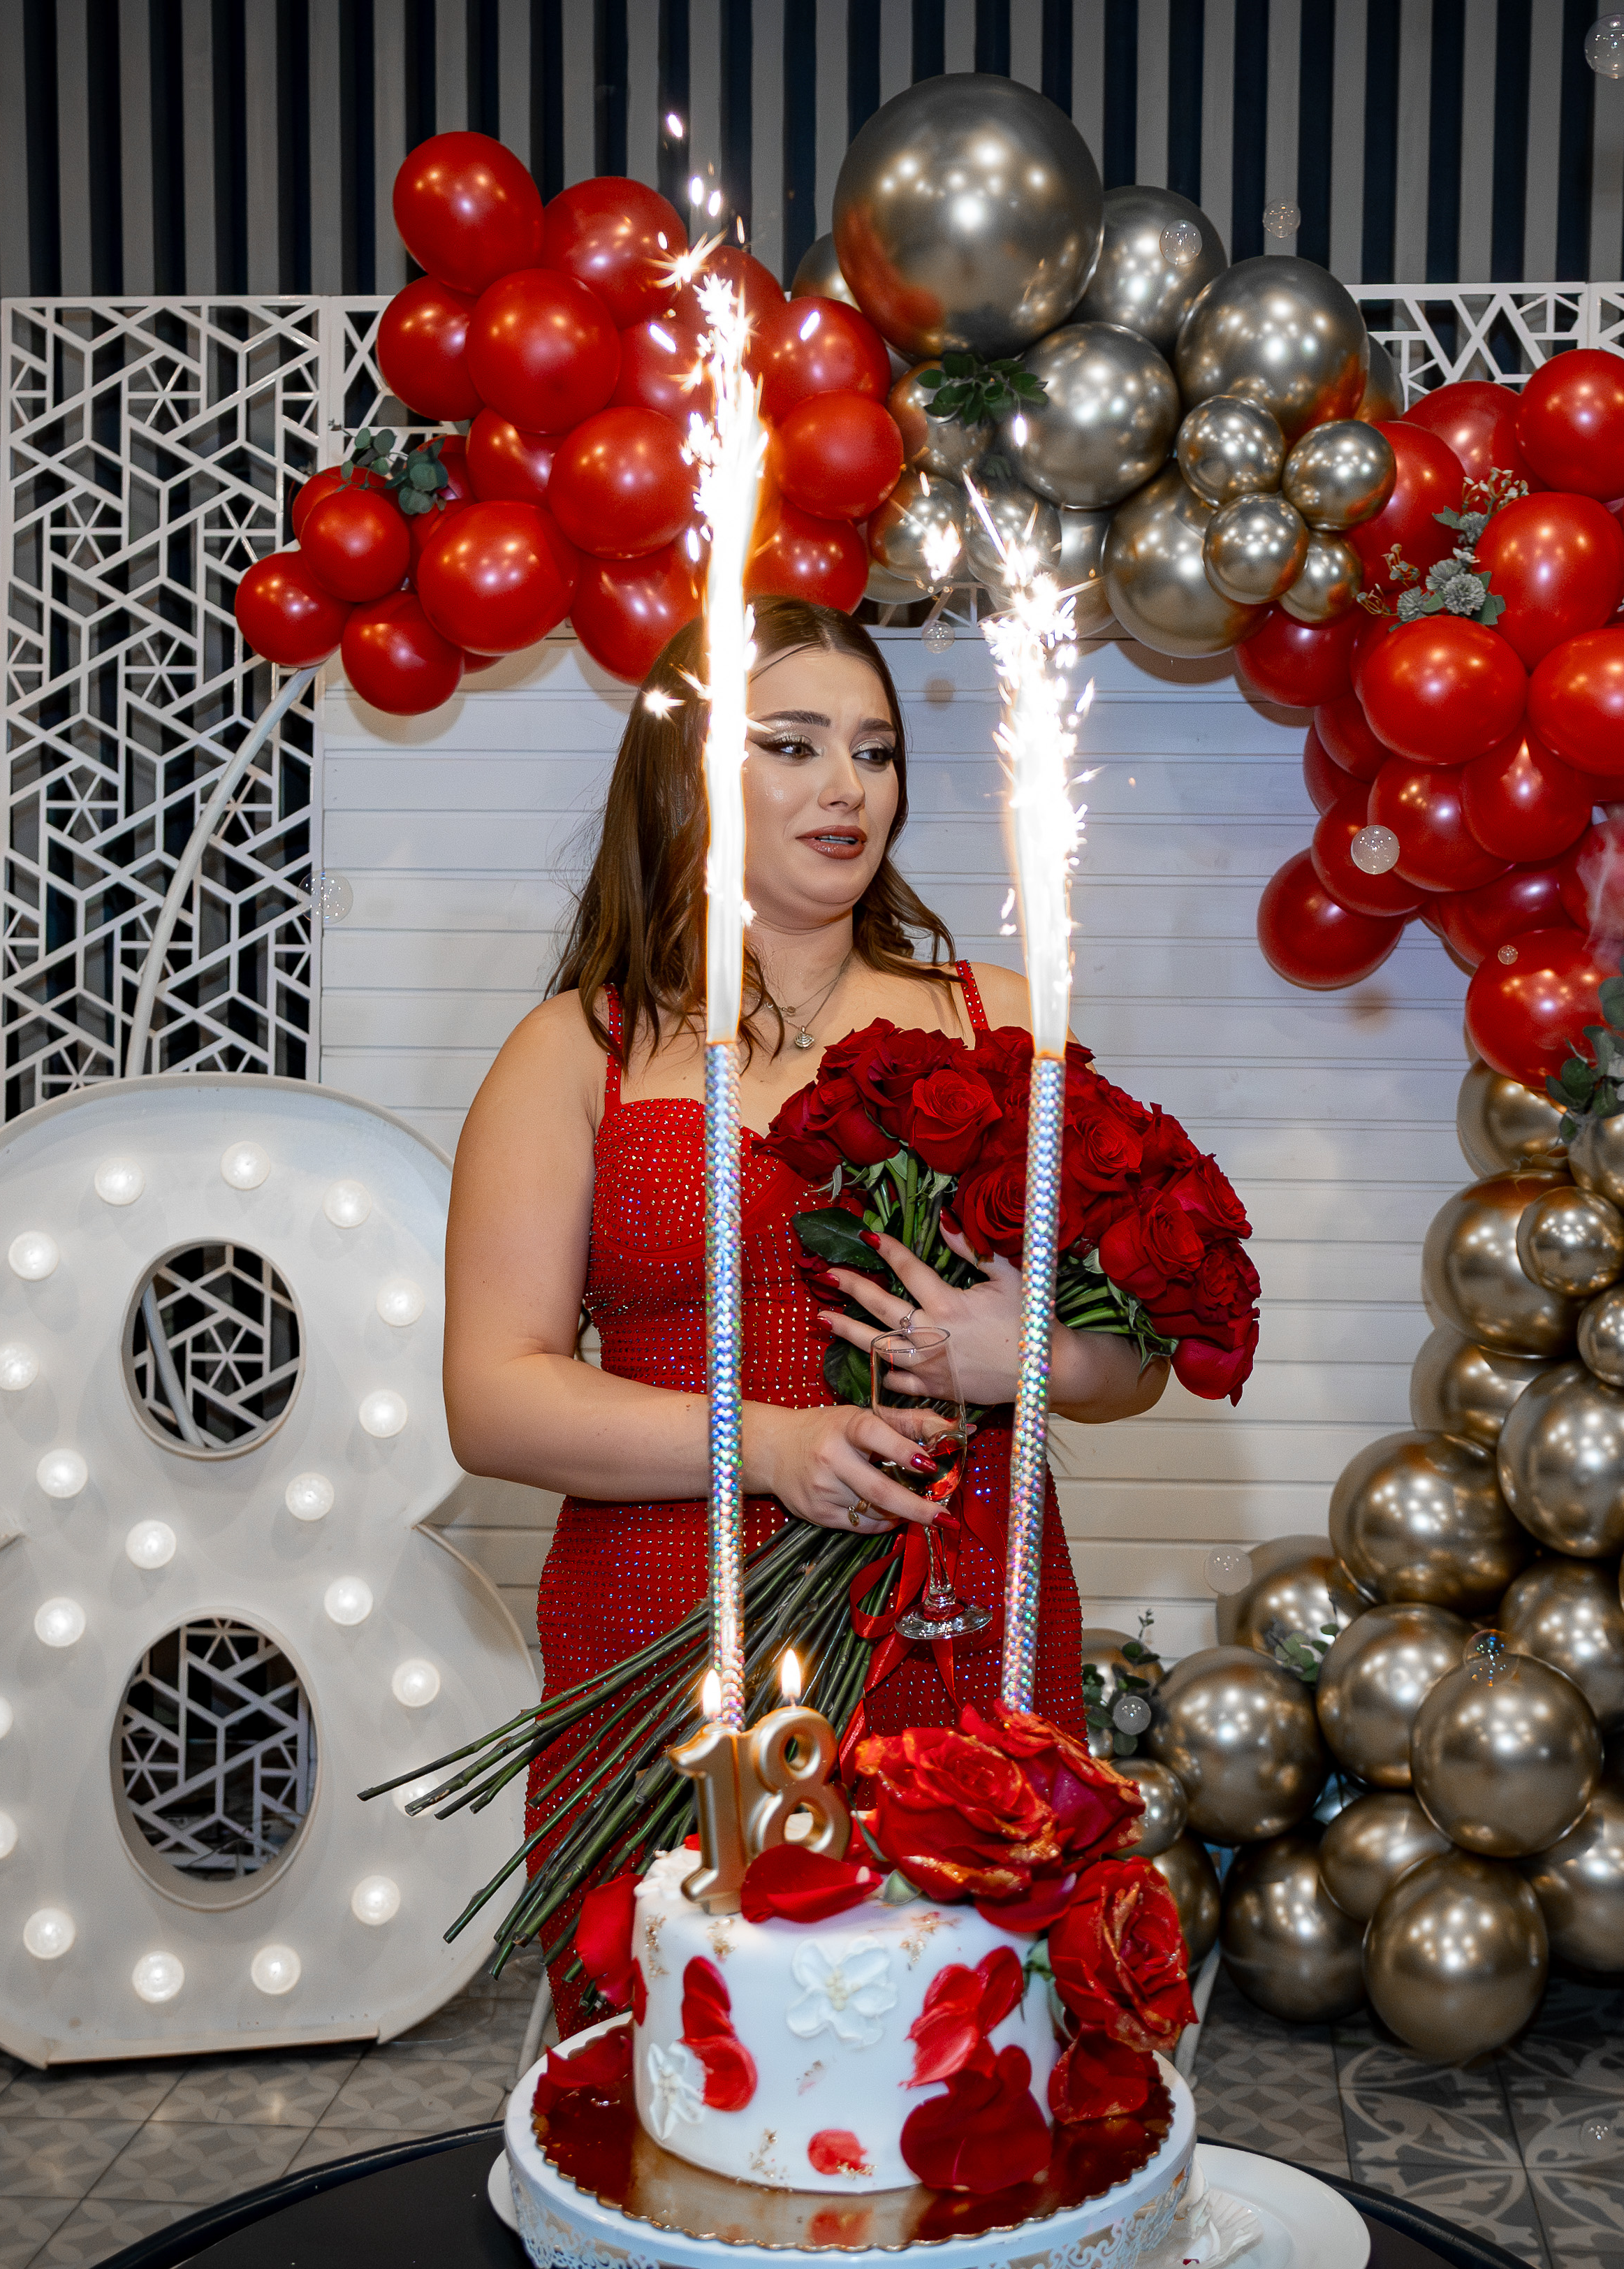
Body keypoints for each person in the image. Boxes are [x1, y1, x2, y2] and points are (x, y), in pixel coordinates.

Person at [439, 597, 1170, 1944]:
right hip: (667, 1632)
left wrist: (1032, 1353)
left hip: (953, 1619)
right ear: (685, 773)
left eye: (875, 750)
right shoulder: (576, 1051)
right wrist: (767, 1445)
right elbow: (492, 1399)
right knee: (689, 2012)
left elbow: (1136, 1357)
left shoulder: (997, 1020)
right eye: (792, 744)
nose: (848, 786)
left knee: (955, 2021)